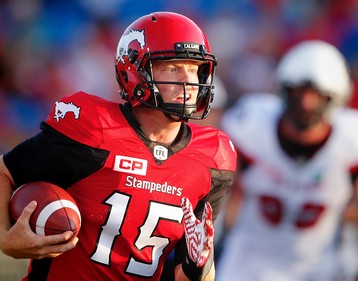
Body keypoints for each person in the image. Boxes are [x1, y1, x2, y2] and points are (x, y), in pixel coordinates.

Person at [0, 11, 237, 281]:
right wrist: (6, 239)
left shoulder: (212, 158)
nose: (189, 81)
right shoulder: (93, 130)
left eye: (194, 69)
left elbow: (189, 273)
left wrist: (200, 268)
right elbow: (4, 171)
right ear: (135, 71)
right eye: (172, 68)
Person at [215, 40, 358, 281]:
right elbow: (211, 187)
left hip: (318, 270)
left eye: (317, 96)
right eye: (298, 92)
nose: (306, 103)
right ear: (283, 89)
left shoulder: (353, 139)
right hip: (247, 263)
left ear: (336, 98)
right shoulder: (252, 123)